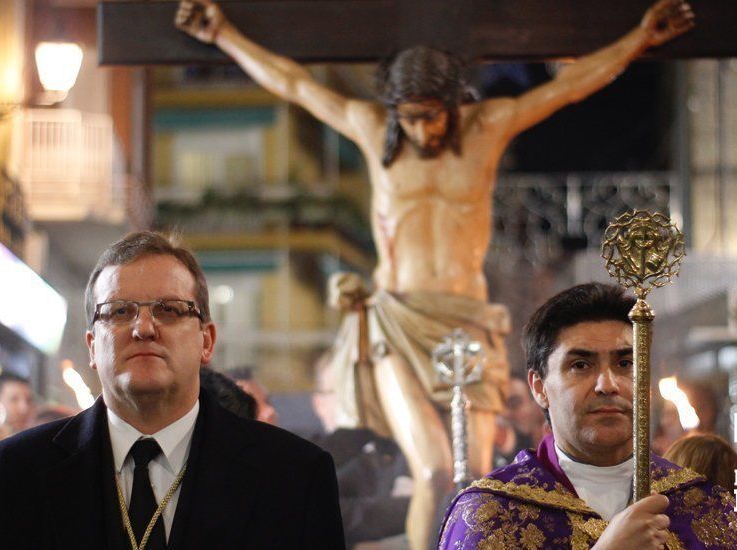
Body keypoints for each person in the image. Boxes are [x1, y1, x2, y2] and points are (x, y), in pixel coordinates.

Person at [176, 2, 695, 546]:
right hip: (397, 322)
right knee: (432, 469)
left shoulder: (485, 128)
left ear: (453, 102)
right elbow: (297, 86)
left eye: (431, 114)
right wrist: (226, 34)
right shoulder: (373, 129)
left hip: (465, 327)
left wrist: (639, 38)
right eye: (409, 116)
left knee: (466, 477)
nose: (421, 129)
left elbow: (568, 87)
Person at [0, 231, 344, 549]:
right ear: (92, 346)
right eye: (118, 311)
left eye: (169, 309)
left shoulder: (294, 477)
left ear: (206, 342)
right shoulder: (11, 476)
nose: (144, 328)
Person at [439, 283, 737, 548]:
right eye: (581, 365)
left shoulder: (701, 504)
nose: (608, 384)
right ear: (539, 387)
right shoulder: (490, 514)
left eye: (625, 364)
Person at [312, 354, 412, 548]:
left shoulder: (403, 450)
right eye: (345, 391)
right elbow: (329, 515)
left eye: (364, 389)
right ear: (319, 403)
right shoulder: (307, 457)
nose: (358, 400)